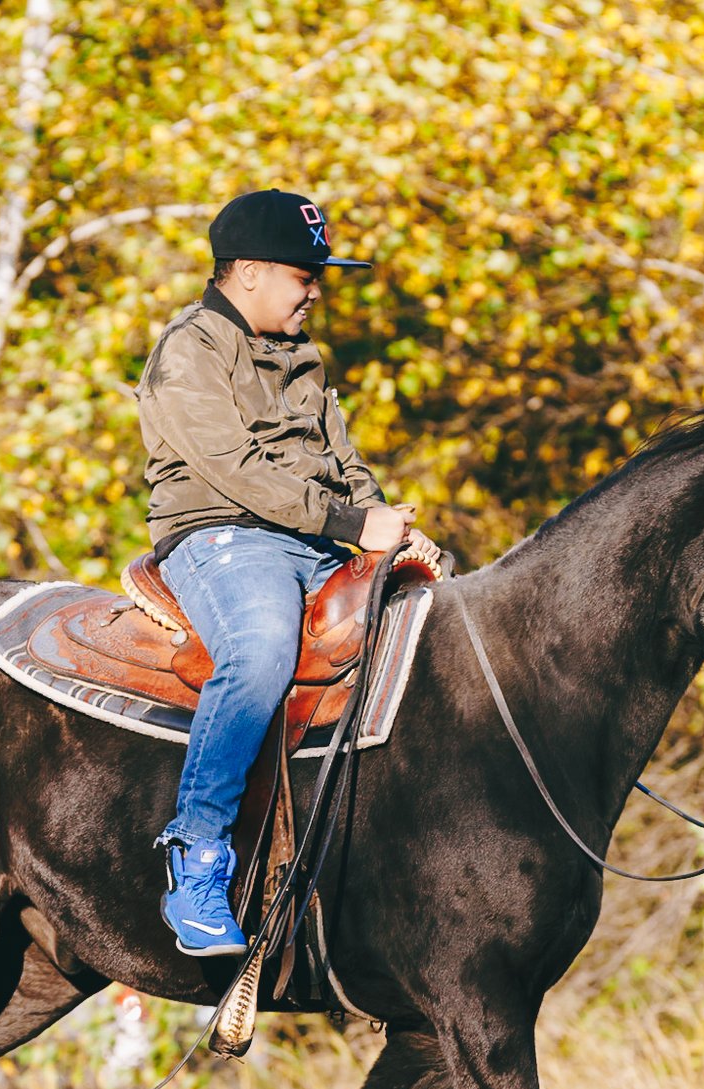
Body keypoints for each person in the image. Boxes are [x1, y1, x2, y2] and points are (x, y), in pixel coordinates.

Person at [136, 189, 437, 955]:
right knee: (262, 648)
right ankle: (197, 860)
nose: (316, 290)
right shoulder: (191, 349)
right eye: (304, 275)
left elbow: (344, 464)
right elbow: (231, 467)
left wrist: (393, 532)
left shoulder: (304, 358)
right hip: (224, 537)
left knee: (433, 638)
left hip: (317, 538)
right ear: (244, 274)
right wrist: (348, 525)